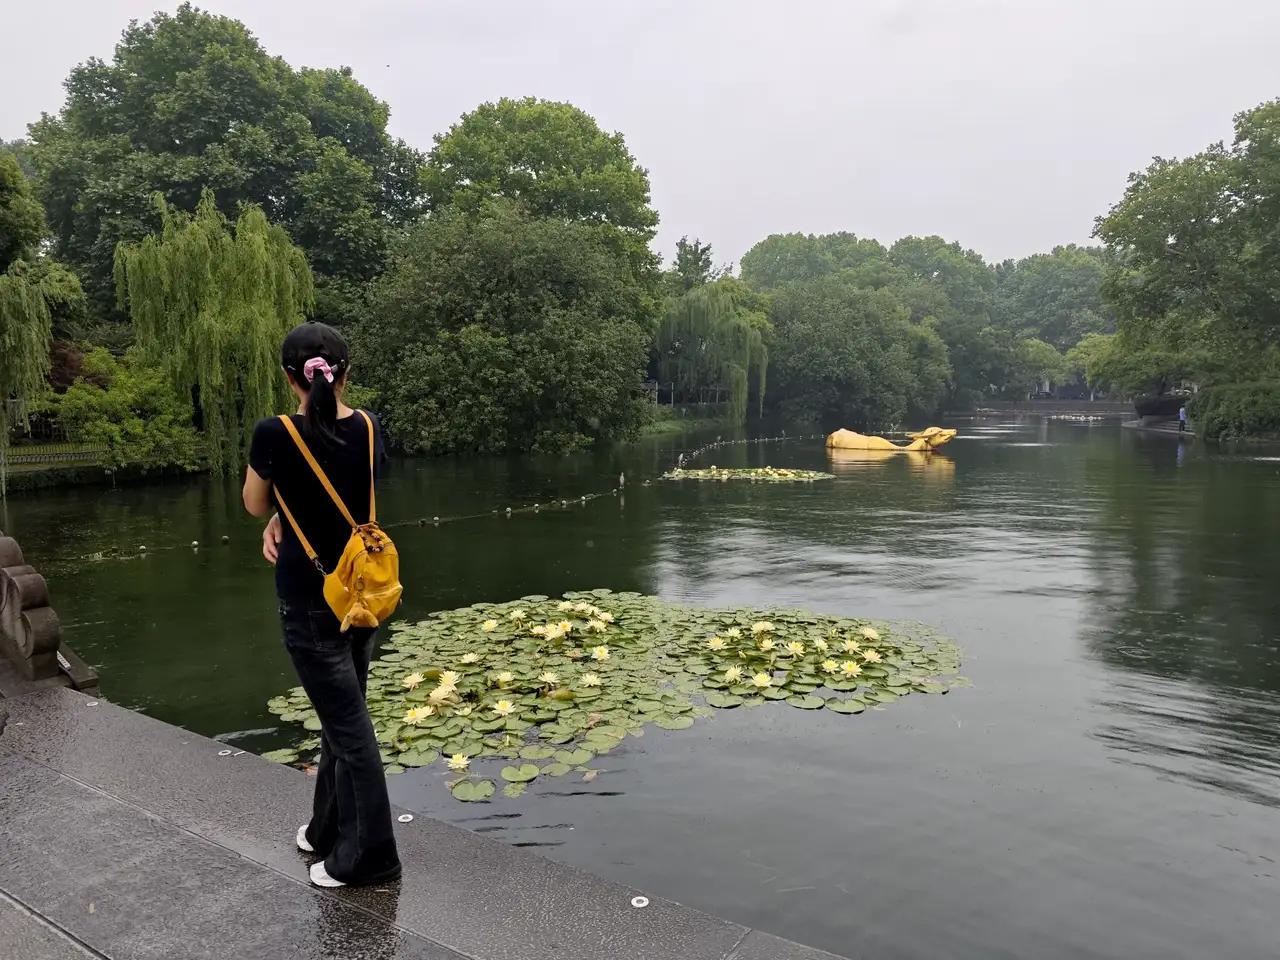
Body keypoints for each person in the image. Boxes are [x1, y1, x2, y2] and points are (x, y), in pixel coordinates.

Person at [242, 322, 401, 889]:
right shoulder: (367, 426)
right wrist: (292, 513)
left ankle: (371, 855)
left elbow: (255, 503)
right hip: (362, 594)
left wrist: (282, 515)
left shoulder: (274, 432)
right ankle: (325, 828)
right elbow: (356, 490)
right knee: (343, 716)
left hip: (311, 600)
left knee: (349, 728)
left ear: (290, 378)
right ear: (344, 373)